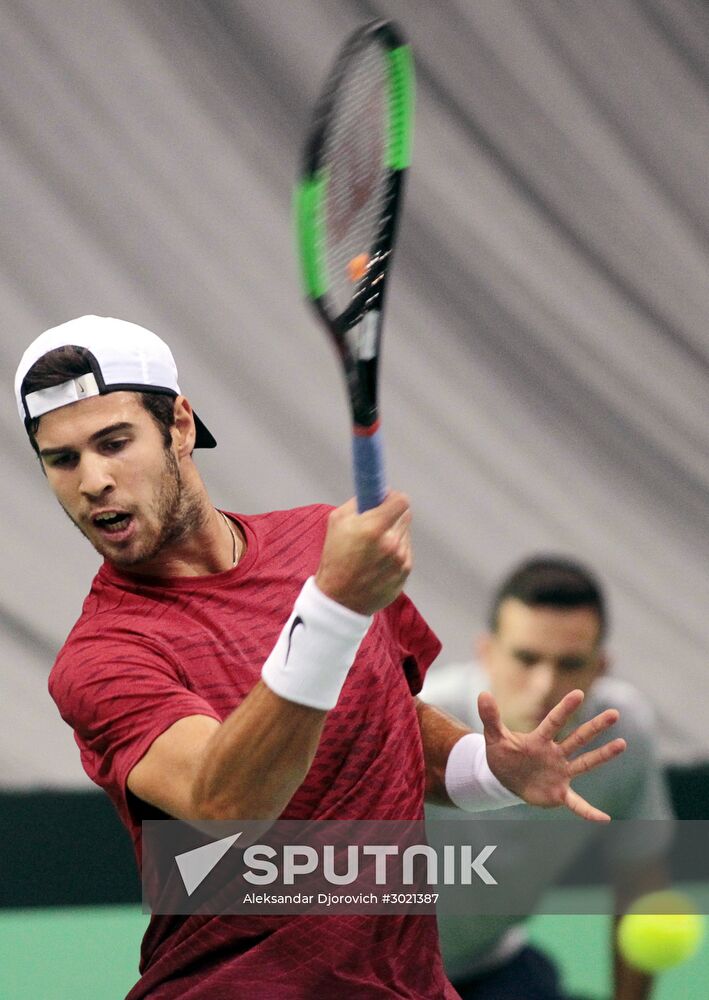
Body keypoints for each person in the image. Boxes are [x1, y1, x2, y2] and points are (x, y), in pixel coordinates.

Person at [15, 315, 627, 999]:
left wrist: (484, 769)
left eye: (114, 442)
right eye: (61, 459)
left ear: (180, 426)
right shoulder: (102, 659)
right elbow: (226, 804)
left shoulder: (318, 541)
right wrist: (332, 606)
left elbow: (381, 722)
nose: (92, 479)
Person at [421, 556, 674, 1000]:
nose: (544, 685)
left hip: (492, 964)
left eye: (570, 663)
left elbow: (638, 884)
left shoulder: (623, 735)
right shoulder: (418, 717)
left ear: (600, 666)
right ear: (487, 653)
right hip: (374, 973)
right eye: (526, 657)